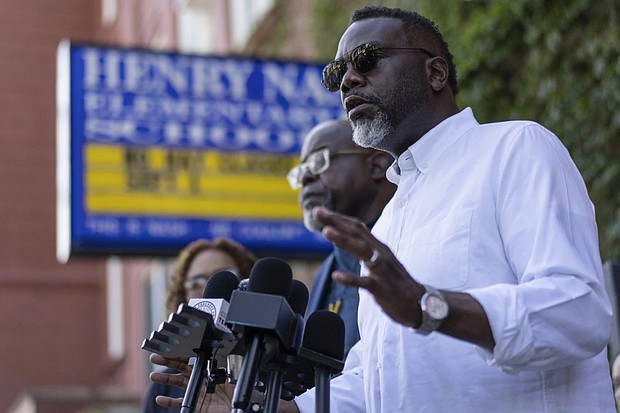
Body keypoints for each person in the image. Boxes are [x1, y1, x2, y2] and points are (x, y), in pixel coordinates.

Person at [150, 5, 616, 412]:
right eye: (337, 74)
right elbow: (377, 381)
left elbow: (577, 310)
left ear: (435, 74)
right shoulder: (389, 221)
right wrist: (283, 408)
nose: (348, 80)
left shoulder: (514, 148)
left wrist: (430, 306)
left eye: (367, 61)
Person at [287, 118, 395, 357]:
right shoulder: (329, 269)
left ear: (377, 165)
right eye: (301, 171)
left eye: (318, 161)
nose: (306, 178)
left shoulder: (409, 241)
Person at [142, 237, 257, 413]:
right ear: (183, 297)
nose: (207, 291)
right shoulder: (165, 387)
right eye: (196, 283)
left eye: (223, 277)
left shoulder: (274, 373)